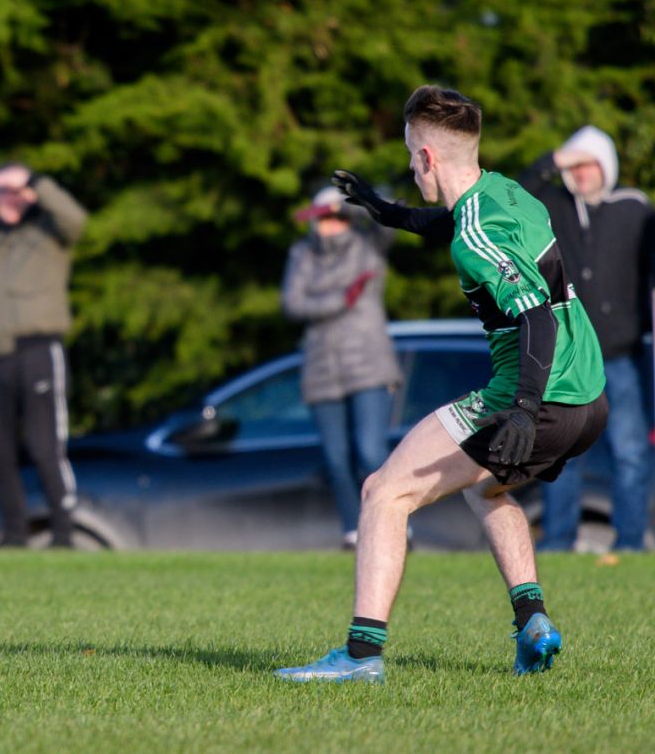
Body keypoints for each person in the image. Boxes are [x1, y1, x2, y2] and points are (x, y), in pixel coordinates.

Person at [276, 85, 608, 684]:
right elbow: (455, 220)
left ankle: (360, 655)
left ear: (427, 157)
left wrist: (524, 411)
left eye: (411, 155)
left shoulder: (477, 237)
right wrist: (388, 211)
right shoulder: (505, 191)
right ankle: (533, 623)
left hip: (538, 395)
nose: (409, 165)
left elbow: (532, 315)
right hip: (590, 399)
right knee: (485, 491)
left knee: (383, 491)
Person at [518, 126, 655, 552]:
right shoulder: (554, 207)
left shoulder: (633, 209)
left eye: (589, 164)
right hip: (568, 357)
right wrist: (556, 159)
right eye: (574, 166)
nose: (581, 173)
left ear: (607, 167)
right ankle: (559, 541)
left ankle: (630, 542)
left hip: (620, 355)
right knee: (561, 453)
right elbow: (519, 195)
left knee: (629, 451)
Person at [0, 162, 88, 547]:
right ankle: (15, 533)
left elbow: (76, 217)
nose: (7, 199)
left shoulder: (51, 232)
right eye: (0, 191)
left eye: (14, 191)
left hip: (37, 350)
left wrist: (34, 181)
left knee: (44, 444)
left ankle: (64, 532)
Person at [282, 186, 401, 550]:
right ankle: (353, 531)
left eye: (335, 217)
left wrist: (357, 203)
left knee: (369, 452)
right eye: (323, 219)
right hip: (321, 370)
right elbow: (293, 304)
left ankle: (393, 524)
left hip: (368, 367)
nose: (329, 226)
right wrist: (342, 298)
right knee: (336, 458)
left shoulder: (367, 246)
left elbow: (390, 218)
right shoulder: (302, 254)